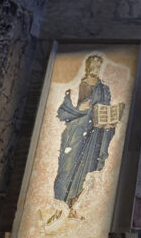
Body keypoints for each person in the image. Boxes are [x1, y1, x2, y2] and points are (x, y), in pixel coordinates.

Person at [51, 54, 121, 220]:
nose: (96, 69)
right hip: (75, 134)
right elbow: (62, 112)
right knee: (67, 169)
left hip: (95, 137)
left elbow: (106, 110)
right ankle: (59, 208)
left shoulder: (104, 89)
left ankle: (73, 206)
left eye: (99, 66)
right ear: (88, 66)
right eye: (93, 65)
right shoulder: (76, 86)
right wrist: (80, 109)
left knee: (86, 171)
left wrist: (110, 119)